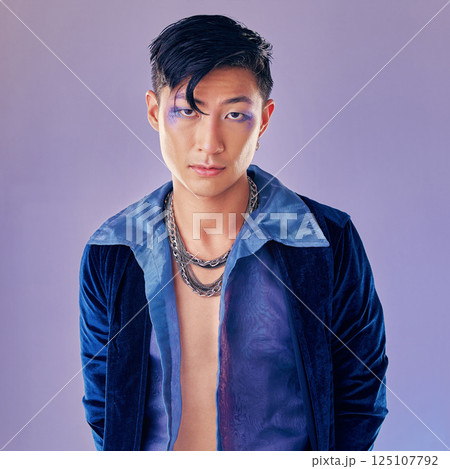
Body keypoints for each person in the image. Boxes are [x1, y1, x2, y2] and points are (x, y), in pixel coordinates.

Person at [79, 14, 388, 451]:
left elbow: (361, 398)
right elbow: (105, 408)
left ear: (263, 120)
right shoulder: (111, 252)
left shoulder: (326, 240)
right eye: (187, 110)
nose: (210, 142)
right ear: (154, 112)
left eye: (235, 114)